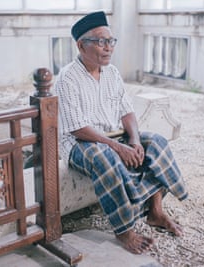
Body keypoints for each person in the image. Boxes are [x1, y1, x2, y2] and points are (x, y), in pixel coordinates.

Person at [54, 11, 188, 254]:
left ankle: (155, 212)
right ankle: (124, 229)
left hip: (112, 135)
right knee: (104, 157)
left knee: (155, 142)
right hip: (79, 142)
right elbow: (77, 128)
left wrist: (134, 141)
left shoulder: (112, 73)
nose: (108, 48)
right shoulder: (67, 77)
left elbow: (127, 112)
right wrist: (118, 147)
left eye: (111, 41)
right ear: (81, 45)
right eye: (100, 42)